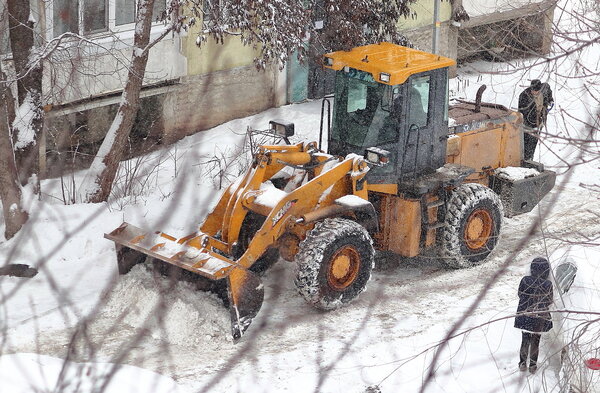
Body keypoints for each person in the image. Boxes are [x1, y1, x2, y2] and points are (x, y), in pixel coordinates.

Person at [514, 257, 554, 374]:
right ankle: (533, 365)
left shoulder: (525, 280)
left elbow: (520, 294)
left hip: (525, 314)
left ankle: (522, 363)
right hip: (539, 317)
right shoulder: (548, 284)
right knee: (535, 341)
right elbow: (549, 301)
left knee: (525, 340)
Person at [518, 80, 553, 160]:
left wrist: (550, 100)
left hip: (539, 121)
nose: (535, 93)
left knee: (534, 141)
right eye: (533, 91)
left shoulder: (544, 89)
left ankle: (531, 157)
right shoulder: (524, 96)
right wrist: (531, 125)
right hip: (528, 124)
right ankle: (526, 159)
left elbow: (548, 88)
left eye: (537, 91)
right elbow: (522, 113)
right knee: (526, 142)